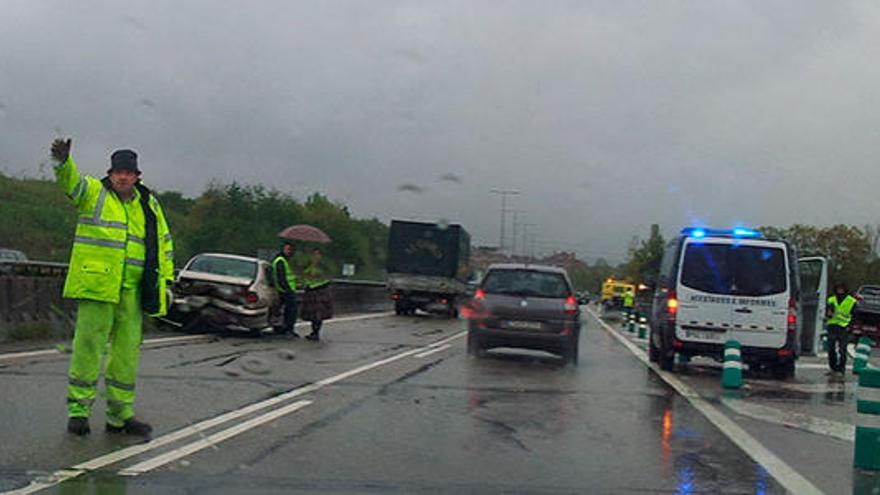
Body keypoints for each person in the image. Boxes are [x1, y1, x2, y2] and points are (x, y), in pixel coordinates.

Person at [50, 138, 174, 436]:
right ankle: (78, 412)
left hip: (132, 291)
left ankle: (120, 417)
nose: (122, 177)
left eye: (128, 173)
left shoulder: (149, 204)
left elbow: (164, 244)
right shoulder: (94, 192)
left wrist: (166, 282)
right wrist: (63, 163)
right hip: (98, 285)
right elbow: (71, 185)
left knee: (126, 356)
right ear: (110, 173)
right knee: (88, 349)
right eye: (118, 172)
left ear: (136, 176)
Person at [301, 247, 334, 341]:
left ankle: (316, 332)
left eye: (317, 254)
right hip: (311, 290)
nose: (315, 256)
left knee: (318, 313)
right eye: (314, 254)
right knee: (312, 314)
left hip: (320, 290)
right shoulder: (309, 265)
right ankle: (314, 331)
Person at [826, 283, 858, 375]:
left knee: (842, 349)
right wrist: (828, 313)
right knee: (831, 348)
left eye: (842, 289)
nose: (840, 291)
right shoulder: (831, 299)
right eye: (838, 289)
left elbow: (855, 316)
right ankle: (833, 367)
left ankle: (841, 368)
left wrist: (850, 327)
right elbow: (827, 311)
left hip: (844, 327)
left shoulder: (851, 301)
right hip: (832, 326)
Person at [273, 242, 299, 337]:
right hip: (284, 290)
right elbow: (281, 277)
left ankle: (282, 328)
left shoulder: (288, 261)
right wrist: (288, 289)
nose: (289, 251)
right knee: (291, 311)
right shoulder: (280, 261)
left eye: (291, 249)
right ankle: (288, 329)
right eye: (287, 249)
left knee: (282, 310)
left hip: (286, 289)